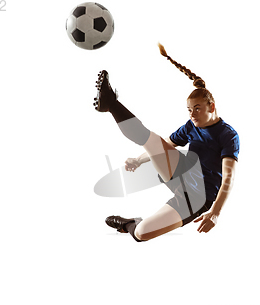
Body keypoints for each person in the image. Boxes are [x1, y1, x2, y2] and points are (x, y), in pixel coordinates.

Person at [93, 43, 240, 242]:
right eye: (189, 110)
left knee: (141, 233)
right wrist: (138, 160)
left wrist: (215, 213)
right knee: (150, 138)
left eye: (197, 108)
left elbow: (228, 179)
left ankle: (129, 224)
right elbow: (163, 145)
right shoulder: (191, 126)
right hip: (181, 172)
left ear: (211, 106)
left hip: (198, 198)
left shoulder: (228, 135)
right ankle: (110, 103)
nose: (192, 114)